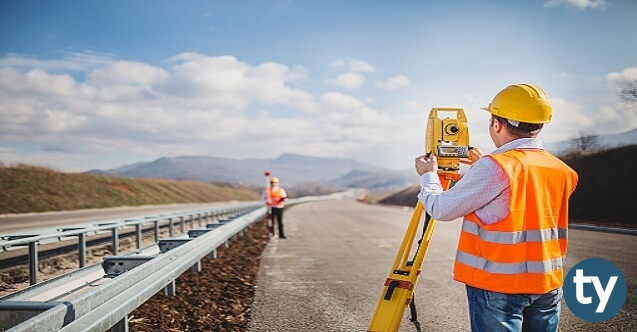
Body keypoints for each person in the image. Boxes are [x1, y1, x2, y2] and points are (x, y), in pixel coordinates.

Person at [414, 83, 578, 332]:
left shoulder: (495, 167)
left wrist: (428, 176)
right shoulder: (562, 170)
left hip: (499, 286)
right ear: (539, 125)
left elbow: (440, 208)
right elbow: (522, 194)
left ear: (497, 124)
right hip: (547, 283)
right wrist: (484, 165)